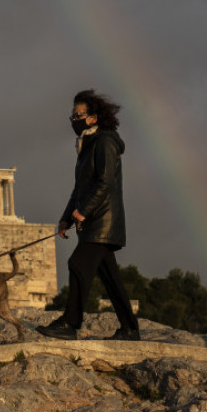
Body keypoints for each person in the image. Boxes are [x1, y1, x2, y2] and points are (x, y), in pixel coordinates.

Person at [36, 89, 141, 341]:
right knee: (111, 278)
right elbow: (80, 188)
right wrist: (66, 218)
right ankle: (130, 329)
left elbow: (104, 183)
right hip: (94, 221)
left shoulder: (105, 142)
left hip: (102, 222)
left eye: (78, 115)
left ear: (93, 117)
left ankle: (71, 323)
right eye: (72, 116)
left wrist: (83, 211)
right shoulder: (87, 144)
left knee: (77, 264)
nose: (73, 120)